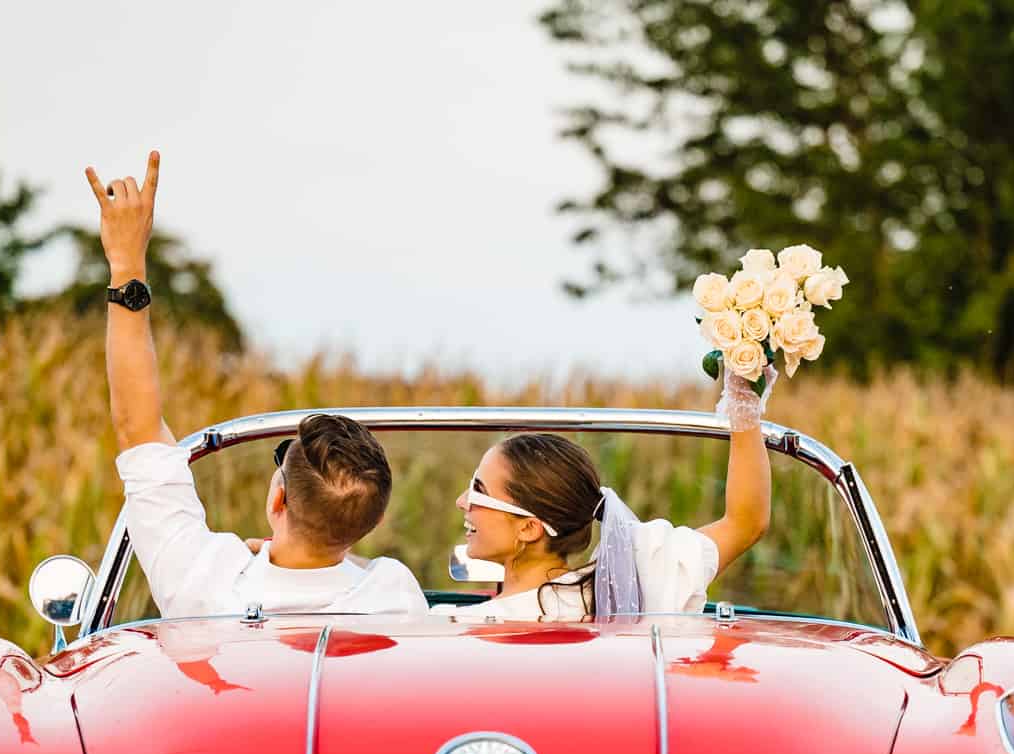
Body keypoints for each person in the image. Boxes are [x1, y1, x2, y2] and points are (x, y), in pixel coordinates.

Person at [87, 151, 426, 618]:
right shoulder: (392, 593)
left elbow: (137, 425)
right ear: (374, 522)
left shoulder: (204, 579)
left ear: (278, 498)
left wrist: (127, 264)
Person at [433, 369, 777, 621]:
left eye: (479, 490)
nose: (463, 501)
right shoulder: (639, 582)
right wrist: (743, 397)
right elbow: (746, 522)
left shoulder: (451, 626)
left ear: (529, 528)